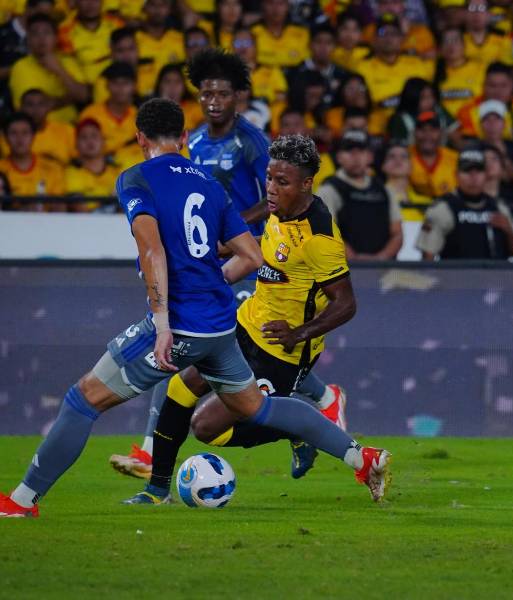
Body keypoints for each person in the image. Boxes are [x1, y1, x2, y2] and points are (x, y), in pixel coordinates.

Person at [0, 102, 391, 518]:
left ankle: (22, 501)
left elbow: (152, 251)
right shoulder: (208, 183)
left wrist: (164, 323)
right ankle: (361, 458)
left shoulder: (135, 179)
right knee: (256, 408)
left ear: (140, 139)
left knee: (82, 401)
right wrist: (212, 282)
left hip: (182, 323)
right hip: (223, 325)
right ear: (185, 138)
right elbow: (251, 255)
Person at [109, 48, 341, 479]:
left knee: (200, 346)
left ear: (237, 97)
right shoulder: (193, 141)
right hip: (215, 256)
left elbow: (271, 196)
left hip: (252, 257)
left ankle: (319, 403)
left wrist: (231, 227)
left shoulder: (251, 141)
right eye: (206, 94)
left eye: (222, 93)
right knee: (210, 350)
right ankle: (323, 401)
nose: (213, 101)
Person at [122, 133, 386, 506]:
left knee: (206, 428)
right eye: (269, 178)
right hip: (246, 324)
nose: (272, 190)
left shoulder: (320, 238)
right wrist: (223, 244)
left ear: (306, 184)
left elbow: (347, 303)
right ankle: (156, 492)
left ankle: (302, 428)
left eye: (282, 182)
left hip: (281, 352)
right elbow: (263, 241)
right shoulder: (281, 209)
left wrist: (300, 332)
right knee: (180, 388)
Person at [416, 148, 513, 260]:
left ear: (486, 175)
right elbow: (428, 256)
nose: (473, 177)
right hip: (456, 276)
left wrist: (508, 230)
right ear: (456, 175)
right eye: (467, 171)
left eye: (478, 171)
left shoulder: (499, 207)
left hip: (495, 276)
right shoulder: (443, 208)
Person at [317, 129, 403, 260]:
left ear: (370, 156)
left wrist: (380, 259)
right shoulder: (328, 189)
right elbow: (325, 234)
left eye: (361, 151)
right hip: (342, 272)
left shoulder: (384, 190)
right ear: (339, 157)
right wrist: (356, 260)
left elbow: (397, 233)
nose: (355, 157)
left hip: (382, 270)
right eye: (349, 151)